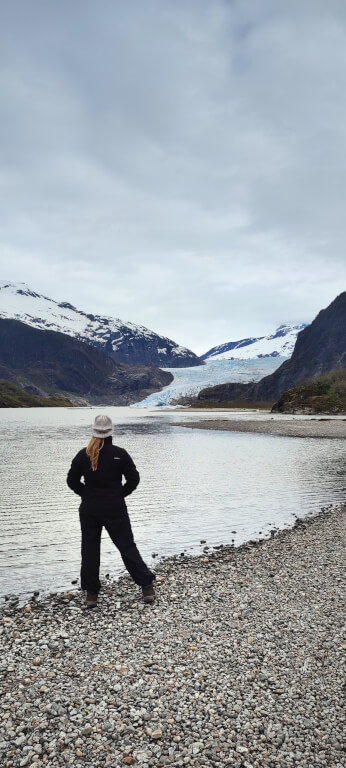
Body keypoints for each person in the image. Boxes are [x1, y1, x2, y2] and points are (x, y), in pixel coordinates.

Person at [67, 414, 155, 608]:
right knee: (126, 546)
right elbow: (134, 479)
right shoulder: (120, 454)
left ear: (94, 432)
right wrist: (120, 494)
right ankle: (146, 586)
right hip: (115, 507)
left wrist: (87, 495)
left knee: (90, 549)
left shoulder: (83, 455)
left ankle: (91, 595)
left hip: (90, 509)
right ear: (111, 432)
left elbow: (71, 481)